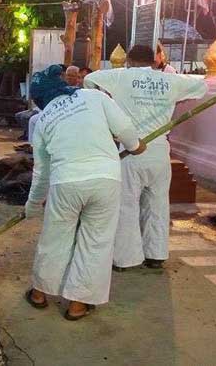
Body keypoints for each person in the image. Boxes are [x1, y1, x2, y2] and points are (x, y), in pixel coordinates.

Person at [24, 64, 145, 321]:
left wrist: (32, 206)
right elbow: (124, 129)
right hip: (105, 179)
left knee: (55, 238)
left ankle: (39, 293)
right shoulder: (94, 97)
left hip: (65, 183)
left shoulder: (42, 121)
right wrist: (135, 146)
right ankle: (77, 304)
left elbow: (41, 173)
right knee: (96, 242)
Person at [84, 45, 207, 271]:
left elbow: (90, 79)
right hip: (160, 152)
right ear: (154, 61)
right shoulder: (171, 80)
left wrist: (108, 100)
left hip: (131, 150)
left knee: (126, 205)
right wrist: (174, 99)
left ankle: (126, 259)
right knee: (158, 203)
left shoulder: (120, 76)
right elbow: (202, 85)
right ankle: (156, 254)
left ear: (129, 60)